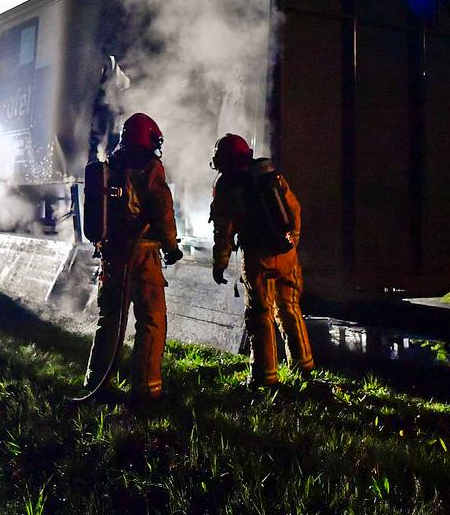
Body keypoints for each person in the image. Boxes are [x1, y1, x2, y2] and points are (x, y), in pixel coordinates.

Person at [82, 113, 184, 402]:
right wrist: (171, 247)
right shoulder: (150, 168)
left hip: (112, 255)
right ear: (148, 138)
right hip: (142, 257)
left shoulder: (111, 166)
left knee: (110, 319)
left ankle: (97, 381)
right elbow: (163, 211)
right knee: (151, 319)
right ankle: (147, 389)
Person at [209, 133, 315, 387]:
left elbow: (224, 231)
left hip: (257, 258)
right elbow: (295, 211)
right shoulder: (270, 175)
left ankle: (264, 376)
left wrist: (220, 263)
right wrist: (290, 244)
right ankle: (304, 367)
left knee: (260, 314)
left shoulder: (227, 186)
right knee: (290, 308)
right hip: (286, 255)